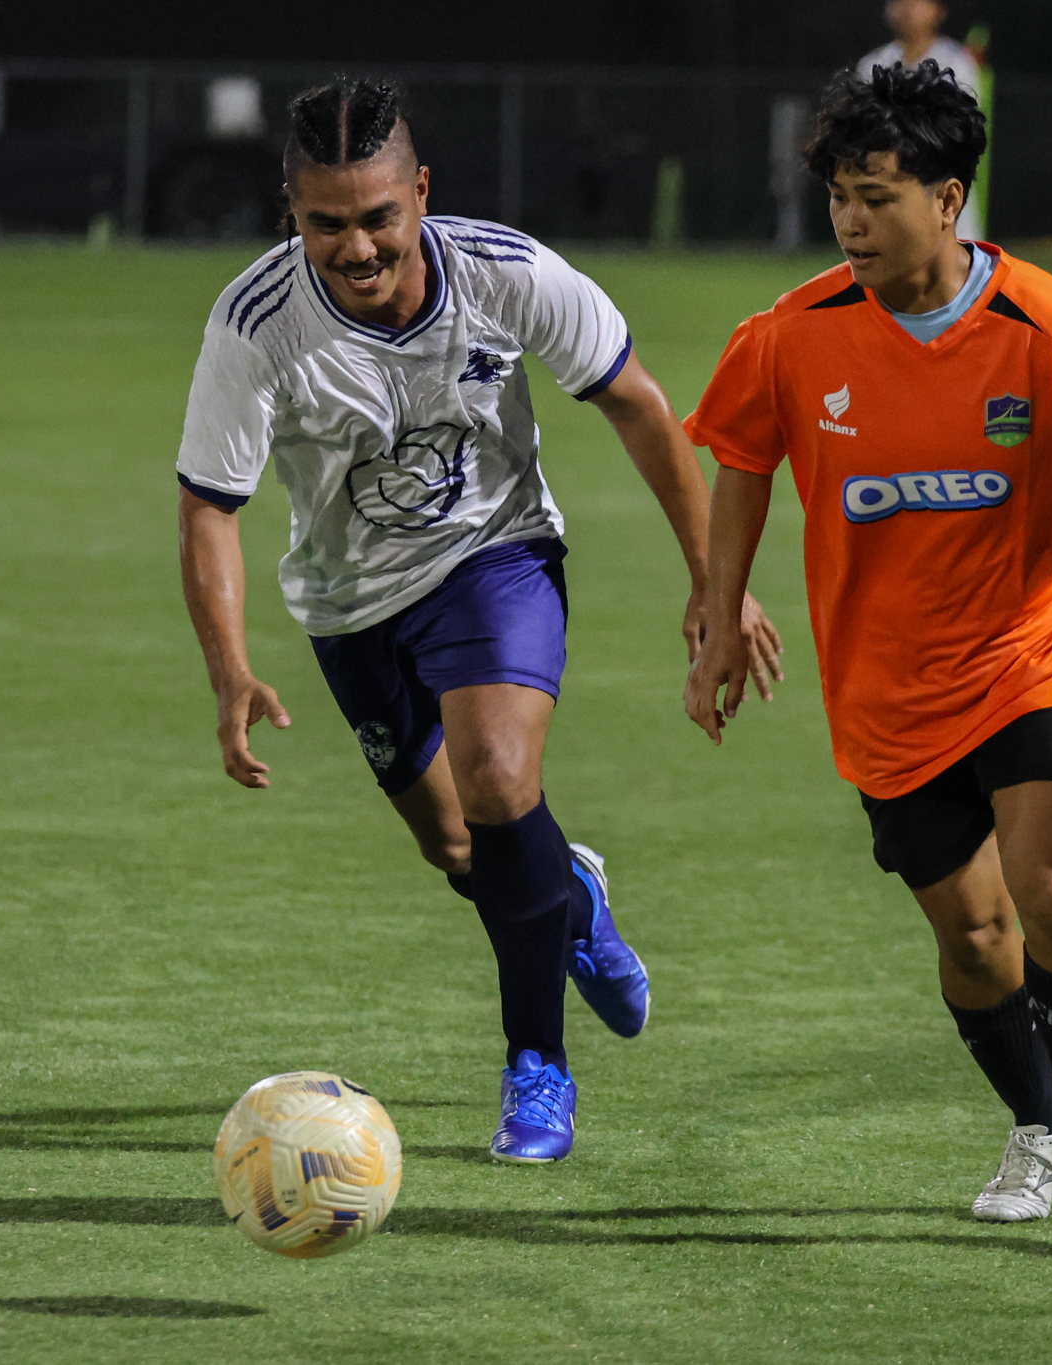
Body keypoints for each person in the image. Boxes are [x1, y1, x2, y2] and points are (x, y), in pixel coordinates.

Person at [175, 80, 781, 1164]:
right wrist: (229, 671)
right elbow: (208, 509)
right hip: (346, 600)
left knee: (499, 780)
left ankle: (535, 1071)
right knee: (458, 843)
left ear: (418, 192)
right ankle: (574, 896)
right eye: (325, 222)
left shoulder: (507, 274)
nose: (354, 246)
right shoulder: (254, 324)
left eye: (376, 217)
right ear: (290, 208)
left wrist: (713, 582)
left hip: (490, 556)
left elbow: (639, 404)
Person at [682, 62, 1052, 1237]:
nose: (849, 220)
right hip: (887, 678)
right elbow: (738, 456)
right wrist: (720, 610)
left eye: (875, 195)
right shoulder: (791, 335)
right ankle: (1031, 1125)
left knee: (1051, 885)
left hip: (1049, 647)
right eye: (837, 195)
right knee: (972, 937)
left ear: (947, 197)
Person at [857, 0, 982, 240]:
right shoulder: (872, 64)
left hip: (940, 183)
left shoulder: (957, 63)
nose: (905, 10)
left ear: (940, 11)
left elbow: (957, 128)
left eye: (916, 3)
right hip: (887, 187)